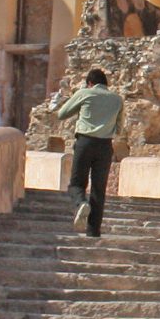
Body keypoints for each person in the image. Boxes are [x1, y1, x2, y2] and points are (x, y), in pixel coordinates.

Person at [50, 68, 124, 236]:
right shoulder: (117, 99)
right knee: (99, 189)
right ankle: (93, 231)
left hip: (85, 142)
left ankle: (81, 202)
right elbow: (119, 128)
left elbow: (62, 114)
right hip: (105, 146)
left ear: (90, 83)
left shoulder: (85, 93)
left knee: (76, 184)